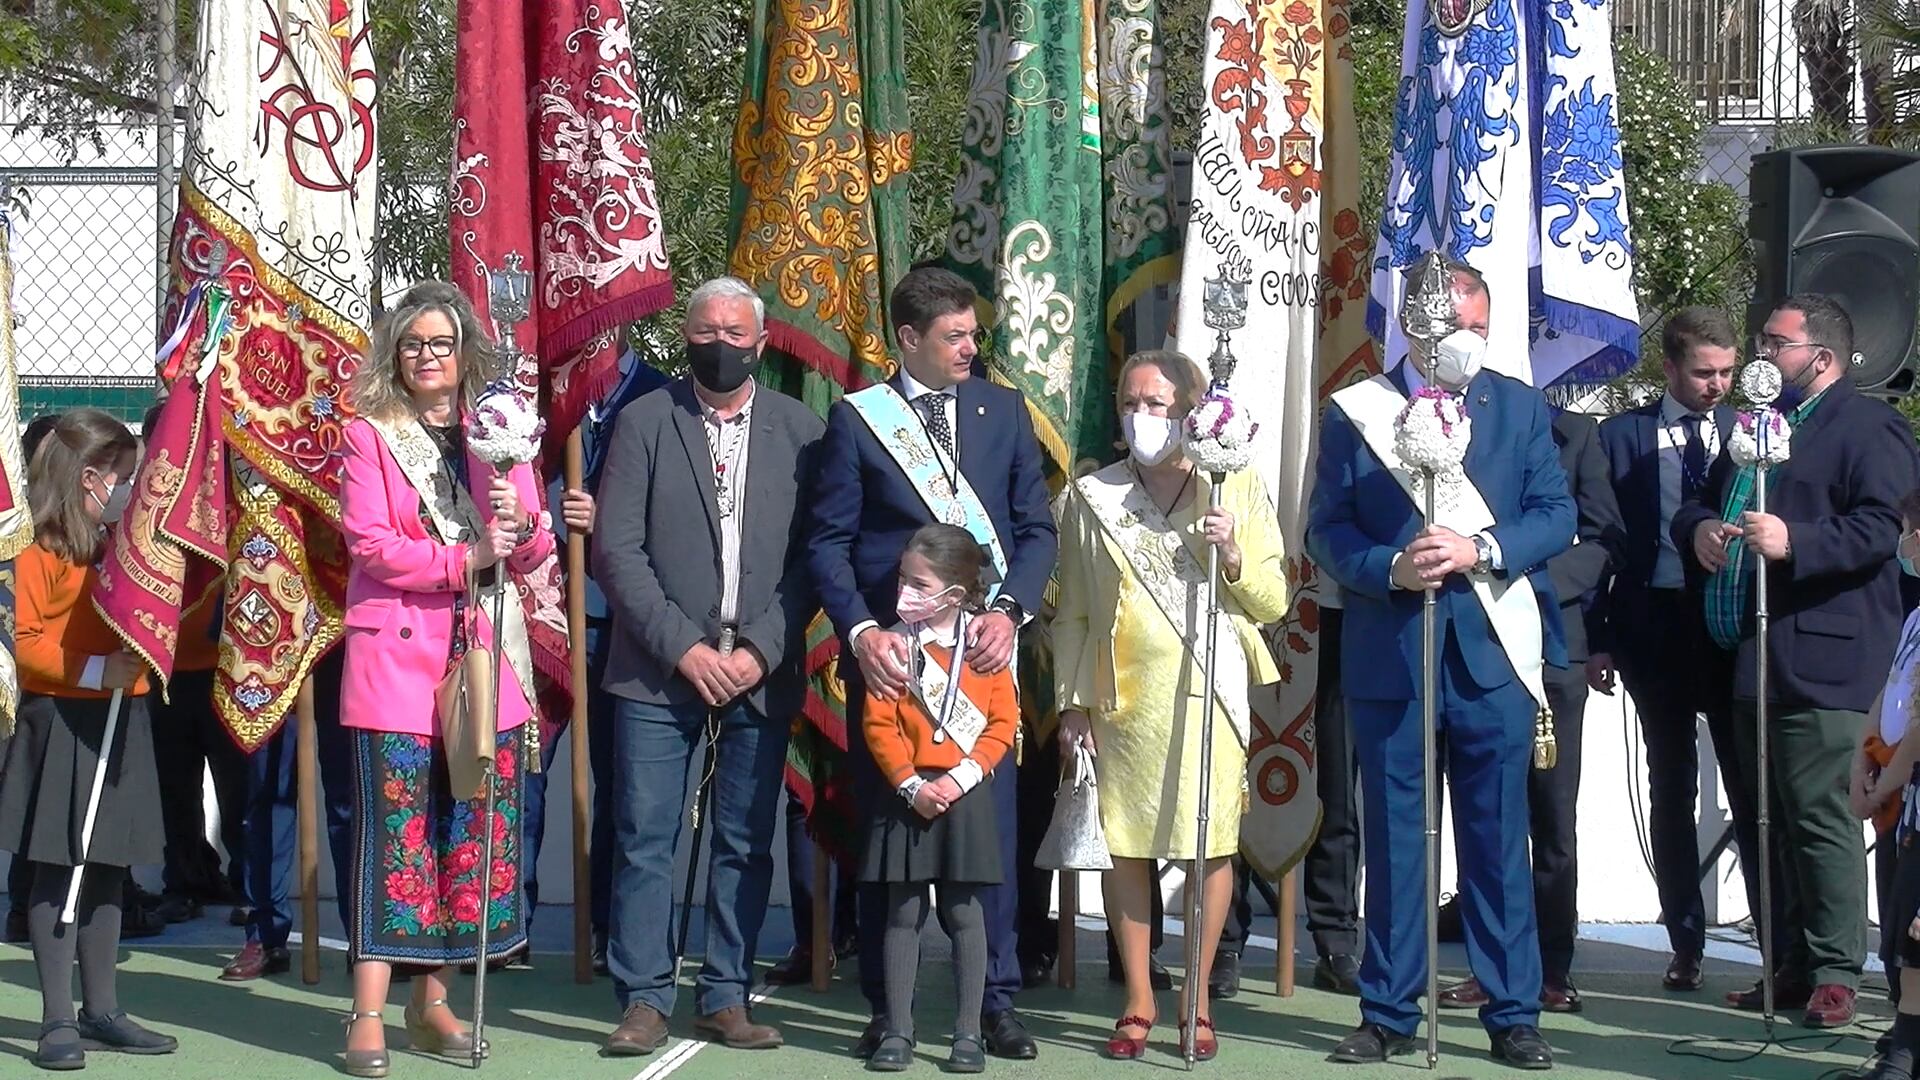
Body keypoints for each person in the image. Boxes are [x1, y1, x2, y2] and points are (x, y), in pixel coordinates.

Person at [1308, 258, 1572, 1069]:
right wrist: (1392, 566)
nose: (1472, 342)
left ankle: (1513, 1011)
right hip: (1393, 652)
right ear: (1419, 327)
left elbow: (1555, 514)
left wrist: (1481, 547)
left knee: (1498, 842)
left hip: (1491, 657)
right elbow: (1328, 528)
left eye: (1481, 328)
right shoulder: (1357, 412)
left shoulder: (1518, 407)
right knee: (1394, 844)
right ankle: (1387, 1010)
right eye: (1460, 328)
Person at [809, 266, 1057, 1062]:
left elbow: (1034, 530)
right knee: (894, 845)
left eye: (973, 333)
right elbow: (829, 544)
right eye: (954, 336)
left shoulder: (1003, 411)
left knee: (991, 831)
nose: (970, 347)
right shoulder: (858, 423)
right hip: (896, 666)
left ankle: (995, 1003)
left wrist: (1010, 612)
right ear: (908, 340)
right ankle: (891, 1010)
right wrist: (859, 633)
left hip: (983, 657)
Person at [1673, 293, 1920, 1029]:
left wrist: (1799, 541)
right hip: (1757, 655)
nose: (1761, 355)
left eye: (1774, 343)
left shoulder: (1869, 426)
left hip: (1828, 657)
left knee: (1819, 816)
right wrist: (1703, 531)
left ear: (1823, 357)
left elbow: (1883, 526)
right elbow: (1702, 500)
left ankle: (1837, 972)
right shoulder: (1758, 427)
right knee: (1767, 818)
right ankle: (1786, 961)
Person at [596, 277, 824, 1056]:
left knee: (743, 839)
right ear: (684, 337)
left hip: (761, 668)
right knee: (643, 837)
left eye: (735, 332)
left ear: (761, 343)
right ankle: (646, 997)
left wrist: (760, 648)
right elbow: (616, 550)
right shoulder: (643, 422)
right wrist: (684, 647)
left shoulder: (802, 430)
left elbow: (812, 560)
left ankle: (725, 992)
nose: (719, 344)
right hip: (659, 670)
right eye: (705, 331)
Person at [335, 280, 555, 1076]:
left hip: (486, 660)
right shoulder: (369, 435)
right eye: (414, 343)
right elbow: (371, 545)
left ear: (466, 352)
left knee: (469, 839)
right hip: (396, 660)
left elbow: (533, 552)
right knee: (396, 836)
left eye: (442, 342)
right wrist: (467, 557)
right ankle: (366, 1013)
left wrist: (523, 527)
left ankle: (432, 1004)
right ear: (396, 353)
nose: (429, 356)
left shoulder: (498, 432)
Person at [1054, 349, 1291, 1061]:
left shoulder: (1234, 486)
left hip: (1210, 692)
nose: (1141, 417)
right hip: (1121, 697)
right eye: (1131, 401)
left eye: (1157, 404)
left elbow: (1274, 601)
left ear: (1192, 412)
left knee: (1209, 841)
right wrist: (1072, 704)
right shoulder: (1089, 498)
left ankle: (1197, 997)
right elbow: (1070, 614)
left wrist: (1236, 557)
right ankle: (1137, 998)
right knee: (1125, 845)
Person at [0, 408, 178, 1068]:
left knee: (108, 866)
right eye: (121, 478)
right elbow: (21, 642)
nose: (129, 491)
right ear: (85, 479)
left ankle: (102, 1009)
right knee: (58, 868)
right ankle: (54, 1018)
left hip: (120, 717)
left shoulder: (124, 546)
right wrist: (97, 668)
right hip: (63, 722)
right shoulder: (35, 548)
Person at [1588, 306, 1756, 992]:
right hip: (1651, 628)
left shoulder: (1750, 432)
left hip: (1729, 630)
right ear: (1671, 367)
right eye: (1704, 372)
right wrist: (1598, 637)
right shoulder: (1622, 436)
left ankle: (1774, 940)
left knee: (1747, 786)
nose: (1718, 385)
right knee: (1671, 787)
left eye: (1728, 372)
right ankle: (1684, 939)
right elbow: (1602, 539)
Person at [1440, 410, 1620, 1013]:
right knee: (1486, 817)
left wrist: (1517, 575)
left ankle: (1551, 966)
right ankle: (1490, 966)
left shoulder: (1578, 434)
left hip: (1551, 651)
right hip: (1476, 648)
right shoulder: (1450, 424)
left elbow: (1602, 542)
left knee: (1551, 818)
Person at [520, 348, 668, 974]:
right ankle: (508, 926)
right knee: (521, 777)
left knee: (623, 787)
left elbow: (683, 510)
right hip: (535, 621)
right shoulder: (523, 393)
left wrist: (607, 521)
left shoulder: (664, 397)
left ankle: (612, 930)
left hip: (624, 627)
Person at [861, 525, 1019, 1074]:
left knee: (964, 914)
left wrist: (960, 778)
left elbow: (1002, 724)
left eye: (917, 582)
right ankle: (898, 1032)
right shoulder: (892, 645)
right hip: (906, 794)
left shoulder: (983, 648)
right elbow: (878, 723)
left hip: (965, 794)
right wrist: (910, 783)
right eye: (902, 579)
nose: (904, 591)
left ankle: (968, 1035)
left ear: (954, 593)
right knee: (902, 914)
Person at [1850, 489, 1920, 1080]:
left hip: (1906, 789)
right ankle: (1906, 1030)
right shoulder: (1917, 615)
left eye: (1907, 532)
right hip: (1902, 803)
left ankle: (1909, 1045)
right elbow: (1892, 689)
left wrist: (1883, 783)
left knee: (1915, 929)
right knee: (1898, 922)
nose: (1904, 545)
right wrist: (1862, 761)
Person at [1302, 597, 1362, 994]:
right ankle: (1227, 941)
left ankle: (1335, 940)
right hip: (1261, 605)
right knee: (1247, 787)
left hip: (1342, 604)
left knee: (1336, 787)